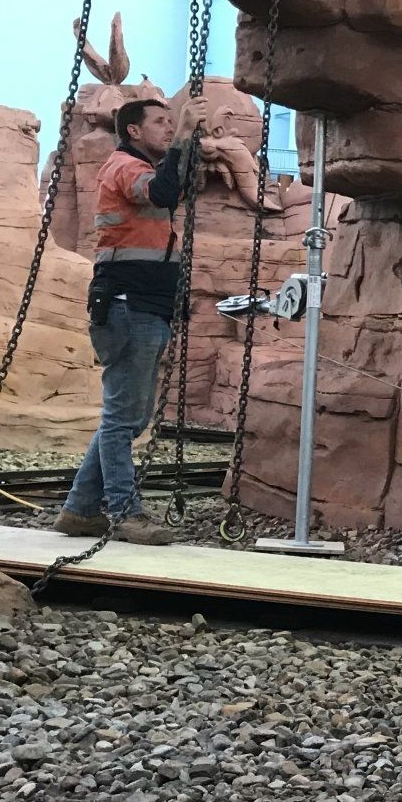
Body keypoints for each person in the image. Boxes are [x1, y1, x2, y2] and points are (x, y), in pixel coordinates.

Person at [56, 97, 250, 544]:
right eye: (160, 122)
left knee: (125, 417)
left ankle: (81, 510)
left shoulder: (139, 167)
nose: (168, 127)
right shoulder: (123, 166)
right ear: (134, 132)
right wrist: (184, 132)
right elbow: (161, 192)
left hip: (143, 306)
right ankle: (125, 513)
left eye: (170, 122)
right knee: (124, 420)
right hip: (130, 305)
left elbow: (172, 188)